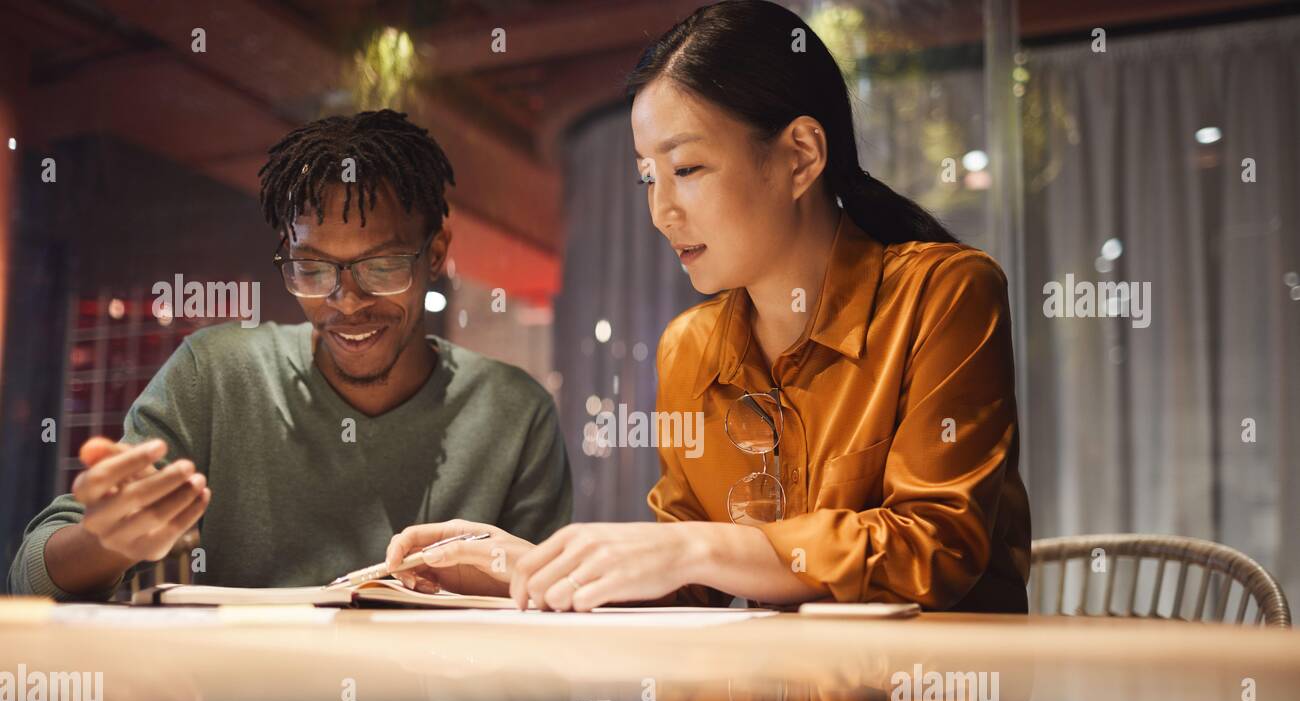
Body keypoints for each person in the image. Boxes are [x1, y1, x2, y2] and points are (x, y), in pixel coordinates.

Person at [386, 0, 1030, 614]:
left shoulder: (945, 294)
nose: (661, 211)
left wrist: (695, 549)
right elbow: (691, 583)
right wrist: (529, 565)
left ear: (801, 156)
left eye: (687, 168)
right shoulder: (689, 347)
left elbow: (936, 546)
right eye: (647, 177)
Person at [8, 110, 571, 600]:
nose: (346, 301)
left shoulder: (514, 413)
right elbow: (29, 577)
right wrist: (103, 543)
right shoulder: (218, 375)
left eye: (381, 266)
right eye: (314, 268)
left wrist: (519, 580)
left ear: (437, 254)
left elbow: (562, 616)